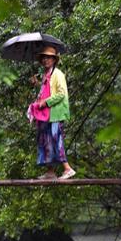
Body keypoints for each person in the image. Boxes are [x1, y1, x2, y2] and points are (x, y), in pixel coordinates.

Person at [29, 46, 75, 180]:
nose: (45, 60)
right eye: (43, 57)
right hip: (46, 114)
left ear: (54, 60)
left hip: (55, 113)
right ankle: (50, 171)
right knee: (45, 140)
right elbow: (45, 92)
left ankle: (67, 168)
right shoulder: (46, 75)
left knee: (56, 139)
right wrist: (37, 85)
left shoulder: (58, 74)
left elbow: (61, 94)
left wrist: (46, 102)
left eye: (49, 57)